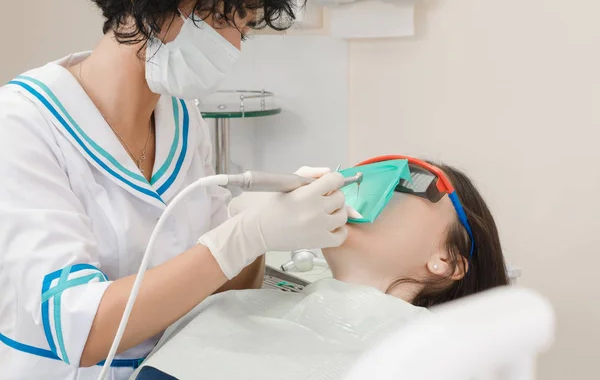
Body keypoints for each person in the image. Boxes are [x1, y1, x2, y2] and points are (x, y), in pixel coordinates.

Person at [0, 0, 352, 379]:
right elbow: (80, 330)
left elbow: (224, 296)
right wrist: (242, 237)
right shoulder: (22, 124)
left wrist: (259, 228)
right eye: (219, 16)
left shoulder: (184, 120)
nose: (232, 45)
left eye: (243, 26)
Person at [131, 157, 510, 380]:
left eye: (409, 180)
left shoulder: (437, 358)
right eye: (361, 173)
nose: (366, 185)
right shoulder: (233, 308)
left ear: (447, 261)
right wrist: (244, 230)